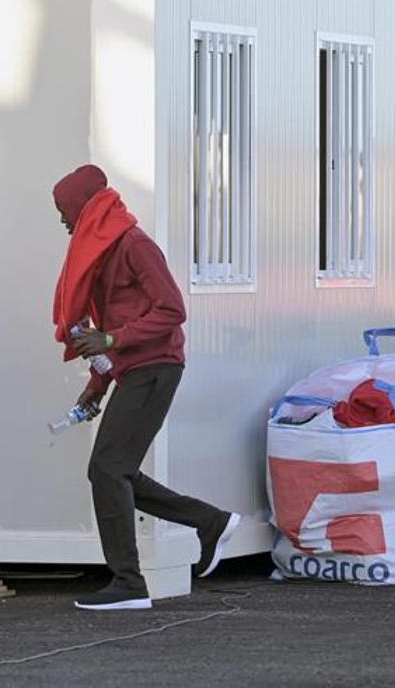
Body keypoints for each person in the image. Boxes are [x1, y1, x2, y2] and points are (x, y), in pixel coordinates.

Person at [52, 164, 242, 611]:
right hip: (137, 369)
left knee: (107, 469)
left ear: (84, 208)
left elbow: (172, 310)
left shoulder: (134, 245)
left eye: (63, 211)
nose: (62, 221)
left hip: (155, 367)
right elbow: (113, 327)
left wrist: (113, 340)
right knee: (117, 469)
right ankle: (209, 522)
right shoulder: (103, 249)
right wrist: (97, 385)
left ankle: (128, 583)